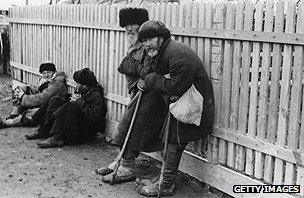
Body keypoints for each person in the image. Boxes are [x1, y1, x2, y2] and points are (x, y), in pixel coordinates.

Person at [132, 20, 214, 197]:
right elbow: (149, 73)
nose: (147, 44)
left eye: (151, 39)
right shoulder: (158, 53)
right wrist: (147, 78)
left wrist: (152, 79)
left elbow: (175, 87)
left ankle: (166, 185)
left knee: (173, 143)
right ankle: (162, 178)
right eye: (144, 40)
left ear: (161, 38)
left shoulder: (177, 54)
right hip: (178, 102)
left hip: (193, 103)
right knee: (166, 139)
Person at [95, 8, 168, 184]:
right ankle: (121, 160)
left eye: (132, 25)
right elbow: (124, 66)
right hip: (138, 92)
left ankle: (126, 166)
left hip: (151, 95)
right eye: (126, 26)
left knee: (133, 125)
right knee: (128, 124)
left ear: (141, 26)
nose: (129, 29)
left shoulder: (147, 45)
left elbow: (151, 70)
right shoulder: (133, 46)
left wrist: (143, 77)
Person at [24, 68, 107, 149]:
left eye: (78, 84)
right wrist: (70, 98)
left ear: (85, 85)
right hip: (75, 124)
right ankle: (42, 130)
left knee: (71, 106)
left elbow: (92, 118)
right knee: (55, 99)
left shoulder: (96, 96)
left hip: (86, 131)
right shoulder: (84, 91)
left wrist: (79, 101)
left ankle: (57, 137)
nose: (76, 85)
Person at [0, 62, 68, 129]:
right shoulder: (48, 81)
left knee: (31, 113)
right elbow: (38, 91)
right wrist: (26, 90)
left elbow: (41, 99)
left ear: (54, 72)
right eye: (44, 73)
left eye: (49, 72)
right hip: (43, 102)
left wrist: (23, 96)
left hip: (49, 107)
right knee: (21, 89)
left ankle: (8, 123)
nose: (46, 75)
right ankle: (15, 112)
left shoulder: (57, 84)